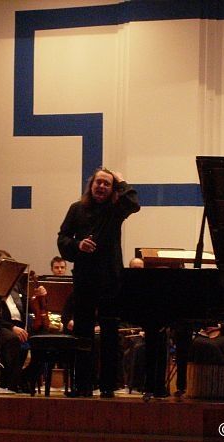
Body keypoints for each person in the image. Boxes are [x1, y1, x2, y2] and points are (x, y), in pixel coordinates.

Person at [57, 167, 140, 398]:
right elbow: (63, 238)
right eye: (98, 182)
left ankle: (108, 386)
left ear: (113, 189)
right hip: (85, 278)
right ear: (91, 185)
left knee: (110, 334)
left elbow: (134, 203)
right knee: (83, 333)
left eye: (107, 184)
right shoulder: (76, 209)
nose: (101, 186)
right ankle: (83, 385)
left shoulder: (116, 209)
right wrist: (78, 245)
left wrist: (121, 180)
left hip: (110, 279)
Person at [0, 249, 46, 392]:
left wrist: (38, 296)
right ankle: (10, 384)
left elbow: (27, 307)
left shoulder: (16, 285)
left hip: (18, 326)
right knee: (12, 339)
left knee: (44, 341)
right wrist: (12, 327)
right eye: (5, 263)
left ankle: (23, 380)